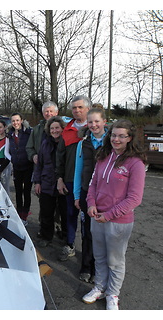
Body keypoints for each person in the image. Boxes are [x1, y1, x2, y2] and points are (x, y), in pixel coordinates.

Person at [82, 119, 146, 310]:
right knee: (99, 257)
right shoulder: (103, 156)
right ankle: (99, 287)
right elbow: (93, 184)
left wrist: (109, 215)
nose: (116, 139)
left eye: (121, 136)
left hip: (119, 221)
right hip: (97, 217)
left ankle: (113, 294)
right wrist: (91, 203)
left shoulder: (136, 163)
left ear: (130, 138)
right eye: (114, 135)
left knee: (115, 260)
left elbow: (135, 198)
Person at [73, 108, 108, 283]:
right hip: (87, 193)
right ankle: (86, 267)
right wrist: (77, 194)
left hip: (106, 195)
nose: (93, 125)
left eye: (97, 121)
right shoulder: (83, 143)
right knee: (88, 232)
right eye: (90, 122)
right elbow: (78, 169)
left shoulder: (112, 142)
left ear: (104, 122)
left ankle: (100, 270)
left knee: (103, 234)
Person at [56, 95, 91, 261]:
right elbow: (60, 157)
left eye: (80, 107)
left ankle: (88, 253)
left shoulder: (96, 129)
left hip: (91, 183)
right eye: (74, 108)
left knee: (89, 220)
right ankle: (70, 244)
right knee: (70, 214)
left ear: (88, 109)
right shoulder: (67, 130)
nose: (77, 110)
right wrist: (60, 178)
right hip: (70, 179)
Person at [33, 116, 67, 248]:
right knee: (46, 212)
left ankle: (65, 237)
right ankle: (47, 236)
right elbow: (39, 164)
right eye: (52, 128)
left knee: (65, 213)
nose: (54, 131)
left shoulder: (66, 143)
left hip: (62, 182)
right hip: (46, 182)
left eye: (57, 128)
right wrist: (37, 182)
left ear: (62, 129)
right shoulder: (45, 143)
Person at [8, 112, 33, 224]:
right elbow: (8, 150)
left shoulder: (28, 132)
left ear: (21, 120)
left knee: (26, 191)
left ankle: (25, 215)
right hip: (17, 167)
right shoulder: (11, 134)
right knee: (18, 191)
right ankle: (19, 213)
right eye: (13, 121)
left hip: (28, 166)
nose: (15, 123)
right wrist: (13, 160)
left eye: (17, 120)